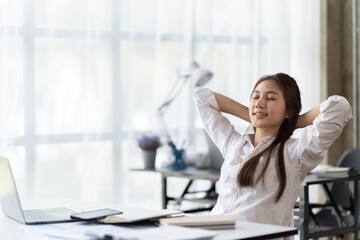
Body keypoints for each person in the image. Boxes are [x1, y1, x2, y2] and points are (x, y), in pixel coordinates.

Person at [193, 73, 353, 232]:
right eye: (255, 97)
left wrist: (294, 121)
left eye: (270, 98)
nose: (260, 103)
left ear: (288, 110)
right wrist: (254, 115)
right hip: (215, 232)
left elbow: (339, 106)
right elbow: (202, 98)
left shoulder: (295, 154)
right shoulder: (234, 144)